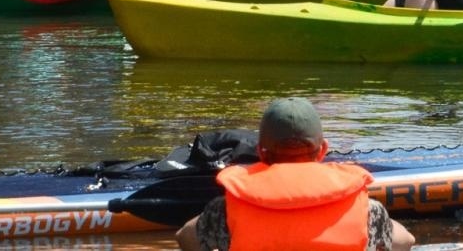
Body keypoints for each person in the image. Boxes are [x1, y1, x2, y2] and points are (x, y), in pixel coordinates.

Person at [176, 97, 415, 251]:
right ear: (323, 150)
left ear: (260, 151)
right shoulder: (368, 211)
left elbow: (186, 237)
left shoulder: (225, 210)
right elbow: (405, 241)